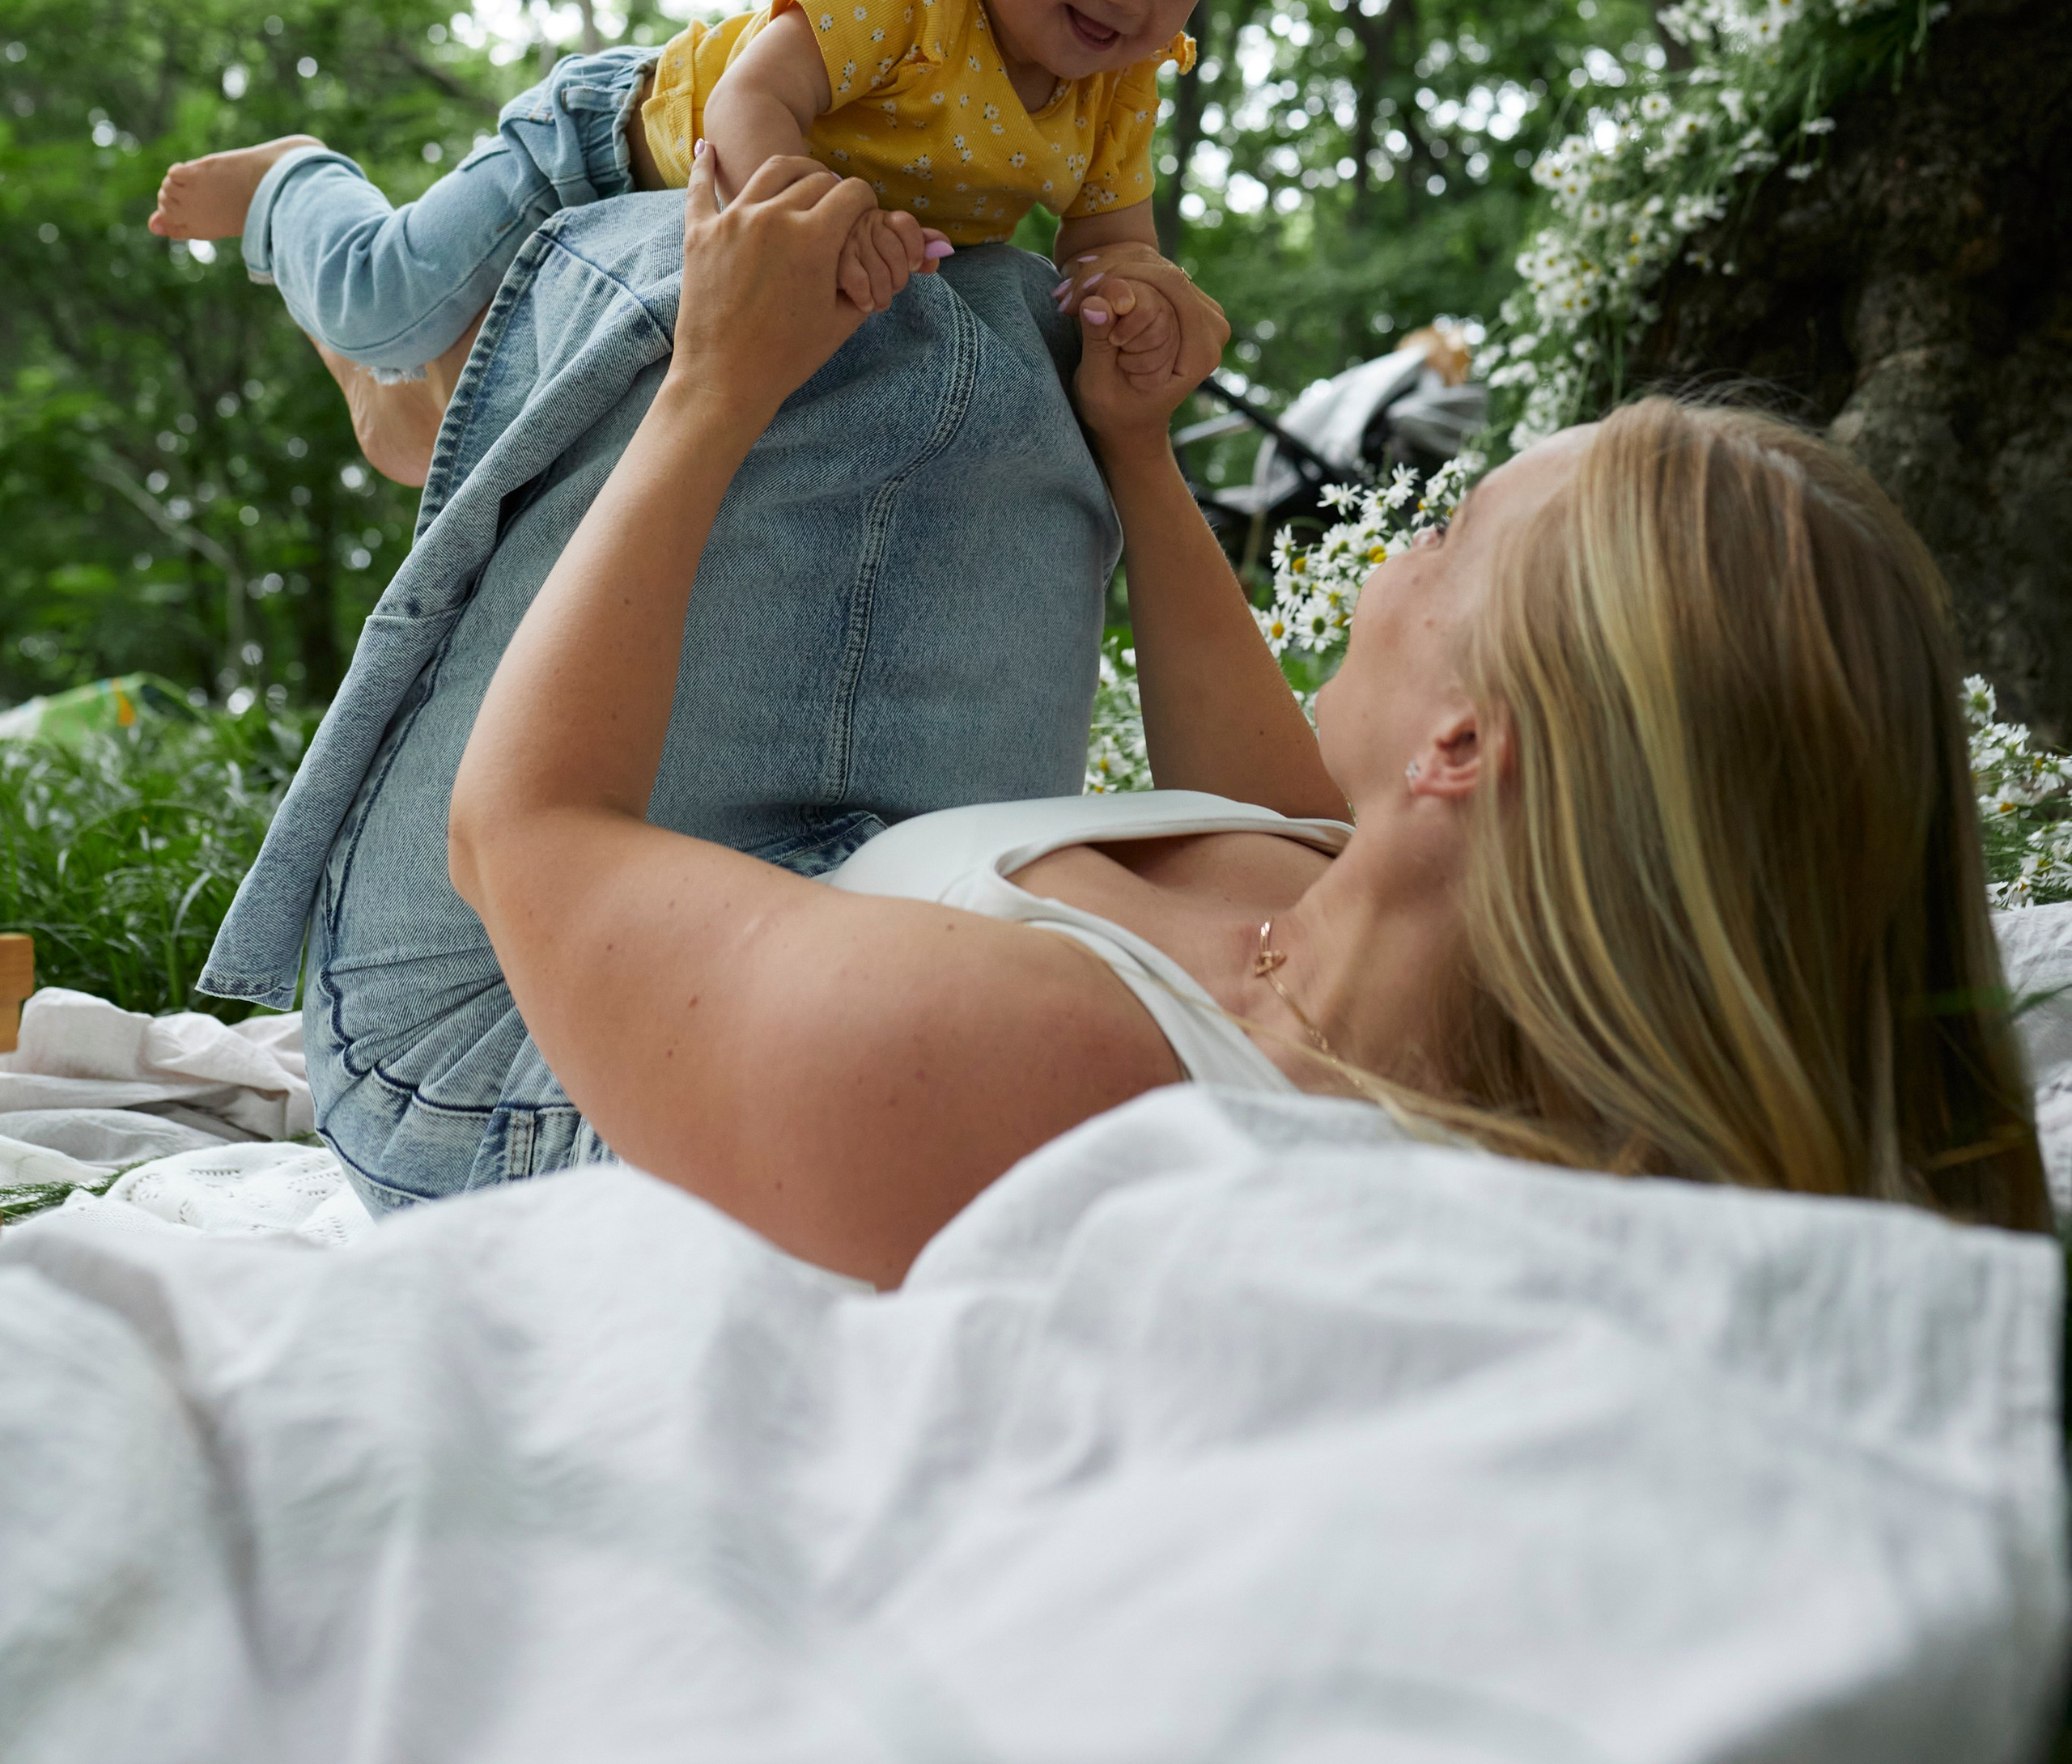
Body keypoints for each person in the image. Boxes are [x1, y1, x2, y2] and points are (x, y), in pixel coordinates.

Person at [444, 147, 2051, 1287]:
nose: (1388, 550)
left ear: (1463, 746)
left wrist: (706, 392)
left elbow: (514, 840)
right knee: (979, 349)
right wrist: (1137, 452)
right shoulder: (1415, 927)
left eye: (1443, 534)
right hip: (806, 878)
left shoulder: (1062, 1076)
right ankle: (424, 373)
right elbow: (1273, 805)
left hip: (493, 1062)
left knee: (653, 268)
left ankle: (409, 335)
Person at [146, 0, 1267, 479]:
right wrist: (808, 208)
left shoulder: (1114, 88)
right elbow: (750, 100)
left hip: (701, 223)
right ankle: (294, 185)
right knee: (383, 304)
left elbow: (1110, 240)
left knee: (424, 440)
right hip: (602, 147)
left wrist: (1137, 295)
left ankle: (377, 391)